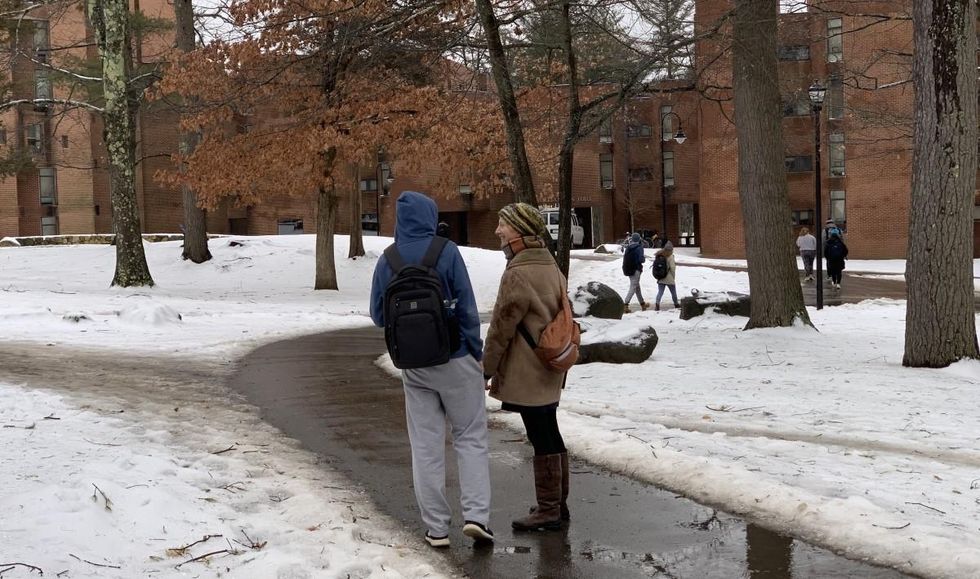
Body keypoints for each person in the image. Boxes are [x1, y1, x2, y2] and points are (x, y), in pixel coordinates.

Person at [369, 191, 493, 548]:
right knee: (470, 437)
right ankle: (476, 517)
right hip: (456, 359)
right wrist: (475, 350)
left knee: (425, 446)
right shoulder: (446, 251)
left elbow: (379, 316)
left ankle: (436, 528)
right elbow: (467, 307)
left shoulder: (387, 259)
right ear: (429, 215)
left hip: (415, 366)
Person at [483, 202, 570, 532]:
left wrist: (485, 369)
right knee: (549, 428)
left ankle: (548, 511)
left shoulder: (518, 271)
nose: (497, 231)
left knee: (540, 433)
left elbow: (502, 325)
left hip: (528, 368)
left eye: (503, 225)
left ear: (519, 230)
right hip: (551, 363)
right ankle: (557, 505)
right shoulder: (549, 262)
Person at [621, 232, 649, 313]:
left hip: (629, 269)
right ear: (639, 239)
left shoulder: (628, 247)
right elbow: (641, 259)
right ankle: (625, 304)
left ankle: (642, 304)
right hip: (636, 269)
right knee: (633, 287)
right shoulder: (639, 247)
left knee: (637, 287)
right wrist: (643, 259)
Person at [654, 241, 680, 311]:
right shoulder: (670, 256)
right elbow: (672, 268)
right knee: (673, 292)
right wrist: (673, 277)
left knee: (660, 292)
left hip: (661, 277)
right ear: (671, 249)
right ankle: (676, 304)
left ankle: (657, 304)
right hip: (669, 278)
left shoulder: (659, 255)